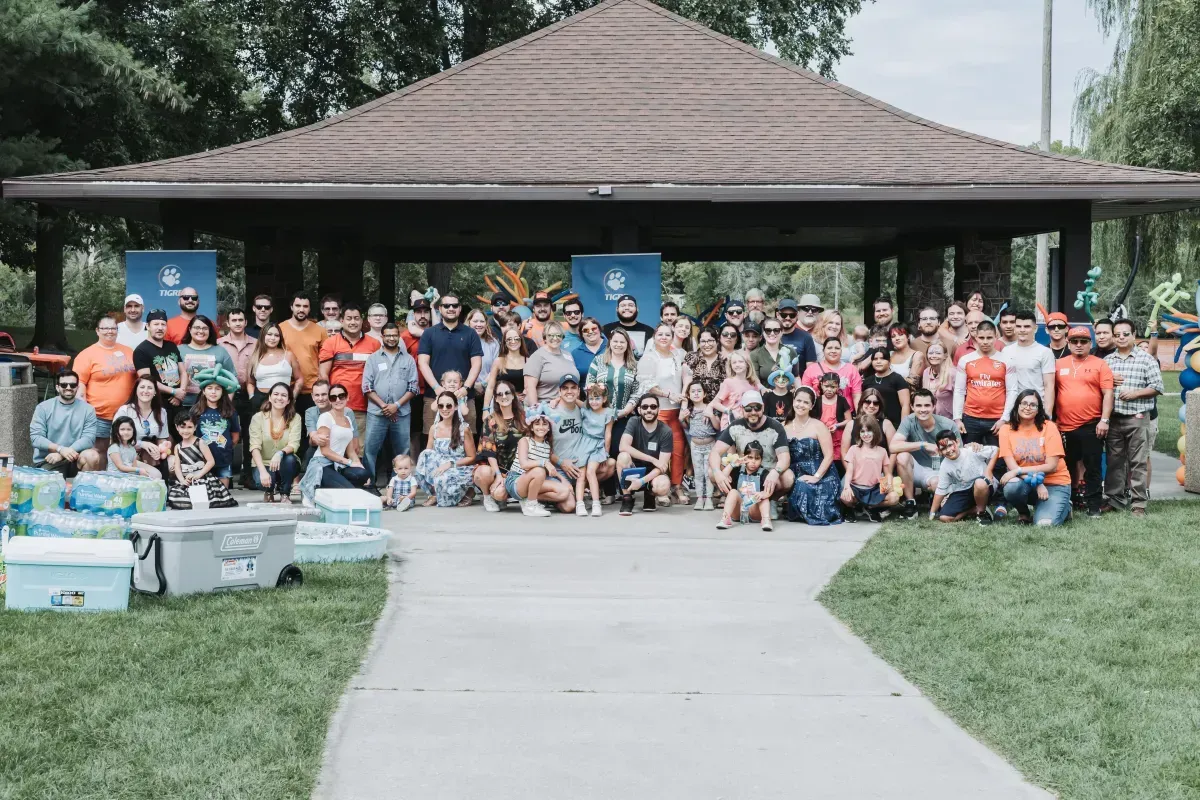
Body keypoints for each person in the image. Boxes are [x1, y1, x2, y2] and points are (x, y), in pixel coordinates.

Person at [1103, 318, 1163, 516]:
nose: (1121, 338)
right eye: (1117, 334)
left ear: (1134, 335)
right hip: (1114, 418)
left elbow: (1157, 387)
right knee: (1114, 461)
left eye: (1125, 334)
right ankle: (1115, 499)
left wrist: (1135, 393)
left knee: (1138, 461)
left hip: (1137, 417)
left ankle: (1139, 504)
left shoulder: (1146, 359)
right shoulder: (1107, 361)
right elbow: (1101, 387)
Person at [1056, 326, 1114, 518]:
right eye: (1074, 341)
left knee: (1093, 466)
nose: (1079, 345)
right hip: (1064, 426)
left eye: (1083, 341)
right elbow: (1052, 392)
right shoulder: (1058, 364)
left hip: (1091, 425)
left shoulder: (1100, 364)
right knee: (1067, 466)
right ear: (1068, 342)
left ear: (1091, 343)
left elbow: (1108, 394)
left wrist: (1104, 420)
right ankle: (1069, 500)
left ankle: (1094, 505)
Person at [998, 389, 1072, 526]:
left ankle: (1066, 508)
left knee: (1044, 524)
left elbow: (1052, 466)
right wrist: (1038, 483)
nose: (1027, 407)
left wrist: (1018, 471)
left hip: (1055, 483)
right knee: (1012, 487)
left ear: (1039, 410)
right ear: (1017, 406)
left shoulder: (1049, 427)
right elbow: (1012, 466)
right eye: (1024, 403)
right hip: (1030, 483)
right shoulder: (1005, 430)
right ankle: (1024, 513)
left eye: (1033, 405)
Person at [418, 293, 483, 444]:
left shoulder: (470, 333)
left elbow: (477, 364)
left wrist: (466, 388)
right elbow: (422, 363)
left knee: (467, 439)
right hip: (434, 396)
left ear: (460, 309)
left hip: (465, 397)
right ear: (440, 309)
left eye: (454, 305)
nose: (451, 308)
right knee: (432, 437)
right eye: (446, 305)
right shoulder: (429, 333)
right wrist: (436, 388)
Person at [708, 390, 792, 504]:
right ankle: (736, 500)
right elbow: (715, 452)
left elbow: (784, 458)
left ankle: (771, 500)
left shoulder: (775, 427)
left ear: (762, 408)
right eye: (748, 408)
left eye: (757, 408)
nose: (753, 412)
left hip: (767, 473)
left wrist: (775, 472)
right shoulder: (735, 426)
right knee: (712, 472)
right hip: (743, 472)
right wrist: (717, 472)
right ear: (742, 409)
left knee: (788, 478)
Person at [74, 315, 137, 465]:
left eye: (113, 328)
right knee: (100, 451)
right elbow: (79, 384)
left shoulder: (129, 351)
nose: (110, 331)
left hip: (126, 414)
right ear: (97, 331)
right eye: (105, 328)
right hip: (100, 415)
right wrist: (84, 409)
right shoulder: (86, 355)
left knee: (126, 452)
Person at [636, 324, 688, 504]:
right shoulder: (649, 358)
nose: (664, 337)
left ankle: (677, 485)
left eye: (668, 334)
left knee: (678, 451)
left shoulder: (678, 355)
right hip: (659, 412)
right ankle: (659, 487)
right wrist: (668, 394)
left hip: (676, 412)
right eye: (660, 334)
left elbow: (685, 378)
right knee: (658, 452)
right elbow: (647, 386)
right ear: (654, 337)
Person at [586, 328, 640, 500]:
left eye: (622, 342)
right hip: (600, 416)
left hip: (624, 416)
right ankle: (608, 492)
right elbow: (588, 385)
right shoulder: (599, 361)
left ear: (627, 345)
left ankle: (623, 490)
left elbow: (638, 391)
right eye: (615, 341)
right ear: (610, 343)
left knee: (618, 451)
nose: (618, 345)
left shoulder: (633, 365)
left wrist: (627, 409)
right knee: (603, 452)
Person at [362, 322, 420, 481]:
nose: (391, 338)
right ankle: (370, 485)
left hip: (401, 413)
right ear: (382, 337)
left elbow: (413, 387)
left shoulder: (408, 360)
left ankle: (399, 486)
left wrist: (396, 406)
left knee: (402, 451)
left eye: (395, 335)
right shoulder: (373, 359)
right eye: (388, 335)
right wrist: (384, 406)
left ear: (398, 336)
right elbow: (366, 387)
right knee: (370, 450)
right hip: (376, 413)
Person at [890, 388, 960, 518]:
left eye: (927, 405)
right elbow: (893, 446)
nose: (923, 409)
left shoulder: (948, 425)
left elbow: (959, 453)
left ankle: (937, 497)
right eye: (918, 405)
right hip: (918, 470)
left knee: (937, 486)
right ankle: (910, 502)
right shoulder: (908, 421)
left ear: (934, 406)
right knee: (902, 456)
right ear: (912, 406)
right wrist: (923, 445)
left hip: (941, 469)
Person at [300, 383, 373, 503]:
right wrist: (349, 463)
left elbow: (350, 451)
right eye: (333, 397)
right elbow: (325, 451)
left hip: (338, 465)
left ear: (347, 397)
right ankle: (316, 490)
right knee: (350, 494)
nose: (338, 400)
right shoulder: (325, 417)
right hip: (322, 464)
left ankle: (330, 488)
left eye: (341, 396)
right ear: (330, 400)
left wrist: (359, 465)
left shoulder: (348, 418)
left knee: (363, 474)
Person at [784, 387, 841, 526]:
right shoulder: (784, 427)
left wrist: (816, 477)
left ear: (812, 405)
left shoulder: (819, 426)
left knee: (807, 487)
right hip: (796, 474)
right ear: (793, 401)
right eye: (798, 400)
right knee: (801, 485)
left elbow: (829, 455)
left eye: (805, 402)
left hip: (822, 474)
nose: (801, 405)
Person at [505, 404, 572, 517]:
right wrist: (544, 463)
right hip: (516, 480)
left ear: (549, 427)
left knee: (564, 492)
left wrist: (563, 480)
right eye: (537, 424)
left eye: (544, 424)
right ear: (531, 427)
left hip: (534, 481)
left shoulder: (546, 446)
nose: (541, 427)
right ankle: (531, 505)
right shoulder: (525, 441)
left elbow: (551, 469)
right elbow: (524, 464)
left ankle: (529, 499)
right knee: (540, 470)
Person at [413, 390, 477, 506]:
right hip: (439, 467)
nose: (444, 409)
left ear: (456, 406)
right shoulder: (434, 428)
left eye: (449, 405)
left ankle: (468, 491)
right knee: (424, 455)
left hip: (458, 466)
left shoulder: (464, 429)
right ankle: (434, 493)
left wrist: (450, 464)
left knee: (445, 479)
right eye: (441, 405)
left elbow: (472, 457)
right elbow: (428, 455)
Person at [318, 304, 381, 422]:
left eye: (356, 318)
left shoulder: (375, 344)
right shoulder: (330, 343)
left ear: (362, 321)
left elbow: (379, 376)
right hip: (338, 406)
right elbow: (323, 375)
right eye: (349, 318)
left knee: (361, 441)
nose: (353, 322)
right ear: (342, 321)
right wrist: (330, 402)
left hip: (366, 406)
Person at [31, 371, 101, 475]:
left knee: (92, 456)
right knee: (51, 489)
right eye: (64, 385)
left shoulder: (88, 410)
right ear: (57, 387)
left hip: (75, 458)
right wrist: (60, 449)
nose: (68, 387)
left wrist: (63, 453)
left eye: (72, 385)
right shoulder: (43, 408)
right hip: (49, 460)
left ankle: (82, 488)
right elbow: (36, 438)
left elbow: (89, 439)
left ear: (77, 388)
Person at [617, 394, 675, 515]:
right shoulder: (633, 422)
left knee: (663, 485)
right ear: (639, 410)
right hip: (633, 469)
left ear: (658, 409)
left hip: (653, 473)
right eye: (645, 407)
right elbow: (623, 446)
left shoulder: (666, 431)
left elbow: (662, 466)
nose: (649, 410)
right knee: (622, 456)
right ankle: (627, 498)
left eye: (653, 407)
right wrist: (653, 459)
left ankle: (650, 494)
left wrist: (642, 481)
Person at [473, 379, 525, 512]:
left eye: (507, 393)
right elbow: (489, 451)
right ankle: (488, 497)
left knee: (501, 494)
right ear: (495, 398)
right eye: (499, 394)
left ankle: (504, 496)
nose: (504, 396)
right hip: (496, 469)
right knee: (485, 474)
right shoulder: (490, 420)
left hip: (519, 469)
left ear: (513, 395)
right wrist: (497, 475)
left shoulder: (524, 418)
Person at [166, 411, 236, 509]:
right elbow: (177, 467)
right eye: (182, 427)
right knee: (181, 501)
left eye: (189, 427)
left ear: (195, 427)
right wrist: (182, 480)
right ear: (177, 427)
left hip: (201, 477)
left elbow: (211, 461)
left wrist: (198, 475)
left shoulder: (200, 442)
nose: (186, 431)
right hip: (186, 478)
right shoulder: (177, 447)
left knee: (204, 499)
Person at [219, 308, 257, 484]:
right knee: (226, 433)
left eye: (240, 320)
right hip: (226, 395)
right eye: (233, 320)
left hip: (250, 393)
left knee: (251, 434)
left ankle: (248, 474)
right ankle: (226, 474)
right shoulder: (219, 344)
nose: (237, 323)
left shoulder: (256, 344)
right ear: (228, 323)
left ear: (246, 322)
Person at [954, 320, 1008, 446]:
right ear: (976, 337)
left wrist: (1004, 419)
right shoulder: (965, 360)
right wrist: (957, 418)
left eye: (989, 337)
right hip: (971, 418)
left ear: (996, 337)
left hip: (997, 419)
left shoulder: (1006, 360)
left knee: (998, 462)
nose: (985, 341)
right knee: (970, 459)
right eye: (981, 337)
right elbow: (959, 390)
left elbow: (1012, 391)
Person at [248, 382, 302, 502]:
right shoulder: (258, 417)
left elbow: (294, 444)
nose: (279, 398)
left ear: (288, 400)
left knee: (290, 460)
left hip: (284, 461)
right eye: (276, 394)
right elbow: (254, 447)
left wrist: (280, 453)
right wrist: (262, 471)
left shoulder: (295, 418)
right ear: (270, 397)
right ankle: (269, 491)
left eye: (284, 395)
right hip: (264, 463)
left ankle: (285, 493)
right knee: (263, 482)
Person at [929, 432, 1000, 524]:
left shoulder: (971, 450)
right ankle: (974, 509)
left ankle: (982, 513)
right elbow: (941, 489)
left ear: (957, 442)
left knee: (979, 483)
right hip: (963, 491)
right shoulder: (945, 465)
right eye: (943, 448)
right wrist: (932, 512)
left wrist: (989, 470)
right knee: (944, 517)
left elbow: (996, 450)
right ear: (940, 451)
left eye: (950, 445)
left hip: (983, 487)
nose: (948, 450)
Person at [840, 415, 898, 522]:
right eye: (862, 431)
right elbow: (849, 471)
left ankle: (870, 507)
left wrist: (889, 485)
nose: (866, 434)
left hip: (873, 489)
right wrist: (847, 486)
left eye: (869, 431)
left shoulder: (882, 451)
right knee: (844, 497)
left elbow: (887, 473)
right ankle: (853, 507)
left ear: (875, 431)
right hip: (856, 488)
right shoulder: (854, 449)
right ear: (859, 433)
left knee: (894, 497)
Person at [282, 292, 328, 424]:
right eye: (298, 305)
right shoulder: (280, 329)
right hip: (287, 388)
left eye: (305, 306)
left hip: (312, 389)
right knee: (288, 429)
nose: (301, 309)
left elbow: (325, 360)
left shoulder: (319, 331)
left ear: (309, 308)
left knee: (313, 429)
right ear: (291, 307)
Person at [1001, 310, 1056, 420]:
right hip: (1012, 409)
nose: (1022, 330)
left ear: (1035, 328)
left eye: (1026, 326)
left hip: (1035, 408)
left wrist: (1048, 414)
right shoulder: (1006, 351)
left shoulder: (1045, 352)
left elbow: (1049, 385)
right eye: (1019, 326)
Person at [190, 376, 240, 488]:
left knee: (223, 494)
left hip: (224, 458)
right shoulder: (195, 411)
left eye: (217, 388)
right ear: (203, 391)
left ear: (223, 392)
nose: (213, 392)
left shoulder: (230, 411)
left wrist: (225, 447)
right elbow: (190, 435)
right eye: (209, 388)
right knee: (205, 494)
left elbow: (235, 436)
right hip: (201, 460)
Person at [575, 384, 616, 516]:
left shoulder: (608, 413)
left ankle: (596, 503)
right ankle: (579, 504)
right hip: (584, 443)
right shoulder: (585, 410)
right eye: (591, 398)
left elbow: (608, 434)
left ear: (604, 399)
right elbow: (572, 399)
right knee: (581, 474)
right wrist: (557, 399)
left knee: (591, 472)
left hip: (598, 445)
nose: (593, 402)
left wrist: (606, 452)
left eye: (597, 398)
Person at [115, 377, 171, 474]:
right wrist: (142, 444)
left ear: (155, 392)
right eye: (142, 387)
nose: (145, 391)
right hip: (127, 453)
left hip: (151, 455)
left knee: (173, 462)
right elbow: (116, 438)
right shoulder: (125, 410)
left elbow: (162, 438)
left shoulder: (161, 412)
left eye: (150, 388)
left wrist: (160, 448)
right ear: (136, 391)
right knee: (154, 475)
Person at [178, 315, 236, 409]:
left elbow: (232, 379)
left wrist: (226, 404)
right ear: (189, 329)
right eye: (197, 328)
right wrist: (174, 395)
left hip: (213, 406)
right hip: (183, 404)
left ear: (210, 331)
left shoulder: (220, 351)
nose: (201, 331)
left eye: (205, 328)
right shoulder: (179, 350)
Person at [715, 441, 774, 531]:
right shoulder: (737, 470)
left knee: (764, 498)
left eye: (757, 458)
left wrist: (763, 494)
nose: (753, 462)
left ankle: (766, 520)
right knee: (733, 492)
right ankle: (725, 518)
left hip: (755, 510)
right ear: (744, 456)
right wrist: (733, 464)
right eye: (750, 457)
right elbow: (723, 477)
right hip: (739, 510)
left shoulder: (764, 473)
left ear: (761, 459)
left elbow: (769, 491)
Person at [134, 309, 185, 410]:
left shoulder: (172, 346)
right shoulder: (141, 350)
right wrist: (174, 392)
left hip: (177, 402)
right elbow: (147, 380)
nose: (160, 328)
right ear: (148, 326)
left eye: (163, 324)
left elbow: (183, 372)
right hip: (156, 404)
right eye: (156, 324)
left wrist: (181, 393)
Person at [682, 382, 720, 509]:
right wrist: (681, 419)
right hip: (695, 445)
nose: (696, 393)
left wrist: (712, 416)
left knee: (707, 472)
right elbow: (686, 427)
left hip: (710, 444)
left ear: (704, 394)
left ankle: (708, 498)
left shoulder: (710, 409)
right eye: (693, 391)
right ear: (688, 395)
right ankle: (699, 498)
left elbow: (717, 427)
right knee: (698, 472)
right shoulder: (689, 411)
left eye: (699, 391)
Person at [247, 322, 302, 409]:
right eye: (269, 334)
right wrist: (252, 397)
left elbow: (299, 379)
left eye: (276, 335)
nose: (273, 338)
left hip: (283, 400)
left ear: (280, 338)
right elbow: (250, 382)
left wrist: (292, 398)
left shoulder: (289, 355)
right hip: (260, 401)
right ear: (263, 335)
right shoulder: (254, 358)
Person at [523, 320, 577, 405]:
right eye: (551, 335)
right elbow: (529, 388)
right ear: (545, 337)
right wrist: (537, 413)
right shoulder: (537, 356)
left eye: (558, 335)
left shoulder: (568, 355)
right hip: (546, 409)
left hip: (568, 407)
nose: (555, 338)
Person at [304, 379, 356, 461]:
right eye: (317, 395)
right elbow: (313, 439)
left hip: (344, 449)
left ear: (330, 395)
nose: (320, 398)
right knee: (310, 452)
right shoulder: (310, 412)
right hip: (321, 450)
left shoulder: (347, 412)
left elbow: (355, 441)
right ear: (312, 397)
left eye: (324, 394)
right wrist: (315, 438)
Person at [801, 337, 862, 407]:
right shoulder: (811, 369)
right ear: (823, 350)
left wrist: (859, 416)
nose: (833, 351)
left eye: (837, 348)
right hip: (818, 413)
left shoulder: (851, 369)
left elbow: (856, 395)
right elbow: (805, 394)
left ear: (841, 351)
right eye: (829, 348)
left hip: (845, 414)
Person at [841, 389, 897, 464]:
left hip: (880, 471)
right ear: (861, 403)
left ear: (880, 405)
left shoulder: (886, 424)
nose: (871, 406)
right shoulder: (851, 424)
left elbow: (893, 452)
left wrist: (888, 473)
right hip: (855, 471)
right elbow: (844, 453)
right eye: (867, 402)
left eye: (876, 403)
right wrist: (850, 472)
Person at [711, 350, 761, 427]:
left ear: (747, 364)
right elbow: (716, 403)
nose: (737, 365)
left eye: (740, 361)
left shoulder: (753, 383)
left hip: (748, 423)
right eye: (734, 363)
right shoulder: (728, 382)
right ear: (731, 366)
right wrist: (731, 411)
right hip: (730, 423)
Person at [814, 372, 853, 469]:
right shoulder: (817, 400)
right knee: (823, 459)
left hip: (838, 437)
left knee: (837, 462)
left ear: (838, 387)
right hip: (821, 436)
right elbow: (812, 420)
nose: (829, 390)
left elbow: (849, 420)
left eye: (833, 387)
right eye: (826, 386)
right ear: (821, 385)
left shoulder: (841, 400)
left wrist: (837, 425)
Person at [863, 348, 909, 429]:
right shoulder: (867, 381)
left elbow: (905, 405)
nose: (878, 361)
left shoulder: (897, 379)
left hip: (894, 425)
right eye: (875, 359)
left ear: (889, 361)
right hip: (872, 425)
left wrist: (903, 428)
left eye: (882, 358)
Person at [486, 328, 529, 409]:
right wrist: (485, 409)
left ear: (521, 341)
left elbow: (532, 386)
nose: (513, 341)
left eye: (516, 339)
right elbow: (490, 387)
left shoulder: (528, 361)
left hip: (522, 405)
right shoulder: (498, 361)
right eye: (509, 339)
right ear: (505, 342)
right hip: (500, 404)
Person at [682, 327, 727, 403]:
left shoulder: (724, 360)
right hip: (695, 409)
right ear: (699, 343)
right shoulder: (691, 357)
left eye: (710, 341)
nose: (707, 345)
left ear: (717, 341)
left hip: (718, 408)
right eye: (703, 341)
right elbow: (686, 385)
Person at [775, 298, 819, 375]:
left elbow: (811, 368)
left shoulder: (806, 337)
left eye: (792, 315)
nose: (787, 318)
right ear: (778, 315)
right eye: (784, 315)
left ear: (797, 316)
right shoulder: (770, 335)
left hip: (798, 383)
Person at [750, 318, 796, 385]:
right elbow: (755, 379)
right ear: (763, 332)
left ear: (782, 332)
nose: (772, 333)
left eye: (776, 330)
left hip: (787, 392)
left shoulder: (790, 351)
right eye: (768, 330)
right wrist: (763, 389)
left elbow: (796, 377)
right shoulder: (755, 354)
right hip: (765, 392)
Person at [920, 341, 956, 418]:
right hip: (930, 419)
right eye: (931, 353)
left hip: (949, 420)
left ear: (945, 356)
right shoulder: (926, 372)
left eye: (938, 353)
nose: (934, 356)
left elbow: (961, 399)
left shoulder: (952, 373)